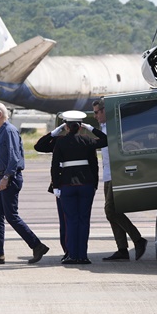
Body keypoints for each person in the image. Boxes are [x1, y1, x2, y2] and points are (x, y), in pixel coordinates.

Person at [0, 103, 49, 265]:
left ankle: (37, 245)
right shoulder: (2, 131)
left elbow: (13, 157)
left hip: (9, 177)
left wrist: (6, 177)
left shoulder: (9, 131)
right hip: (2, 177)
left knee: (11, 215)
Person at [93, 98, 148, 261]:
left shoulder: (114, 126)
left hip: (117, 173)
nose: (95, 116)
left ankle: (138, 239)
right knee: (113, 212)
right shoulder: (102, 127)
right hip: (108, 174)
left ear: (104, 111)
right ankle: (122, 249)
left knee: (110, 210)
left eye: (97, 112)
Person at [51, 110, 107, 265]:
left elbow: (55, 166)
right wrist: (91, 128)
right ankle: (82, 255)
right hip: (86, 185)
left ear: (67, 127)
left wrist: (56, 186)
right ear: (80, 127)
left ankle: (72, 255)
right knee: (84, 220)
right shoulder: (87, 140)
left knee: (70, 221)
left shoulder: (60, 142)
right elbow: (106, 140)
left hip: (67, 185)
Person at [33, 117, 70, 261]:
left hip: (66, 183)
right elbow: (39, 146)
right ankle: (68, 249)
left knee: (69, 221)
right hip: (63, 184)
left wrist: (55, 133)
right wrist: (53, 133)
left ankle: (71, 249)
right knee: (65, 221)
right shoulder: (58, 139)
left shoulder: (81, 139)